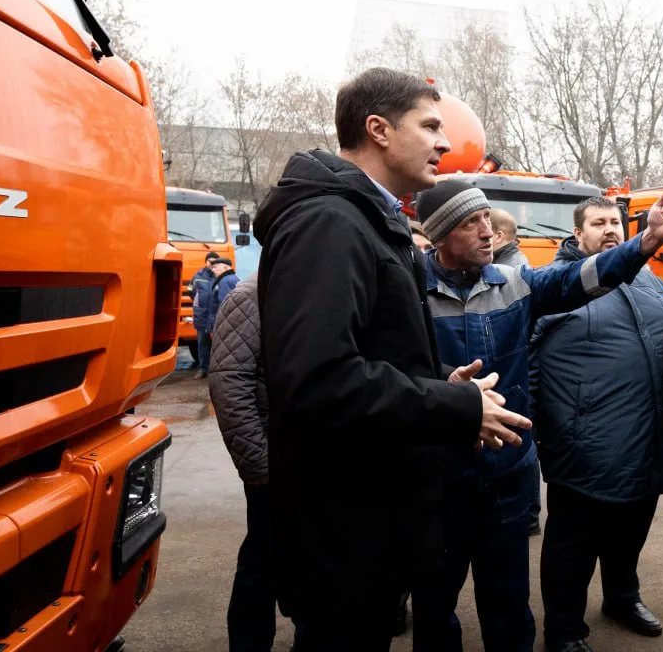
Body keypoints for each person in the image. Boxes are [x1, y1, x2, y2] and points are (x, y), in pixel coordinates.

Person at [252, 68, 532, 652]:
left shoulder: (366, 218)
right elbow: (318, 380)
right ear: (378, 130)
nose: (445, 143)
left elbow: (364, 354)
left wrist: (436, 383)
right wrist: (454, 406)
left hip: (368, 525)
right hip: (346, 533)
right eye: (429, 127)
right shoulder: (330, 222)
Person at [411, 179, 663, 652]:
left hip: (505, 474)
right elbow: (389, 365)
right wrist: (447, 385)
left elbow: (581, 279)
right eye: (471, 223)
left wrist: (647, 240)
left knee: (509, 603)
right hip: (436, 478)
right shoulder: (409, 295)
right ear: (440, 235)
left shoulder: (515, 283)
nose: (488, 231)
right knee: (434, 600)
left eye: (487, 217)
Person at [530, 197, 663, 652]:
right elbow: (528, 364)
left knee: (630, 530)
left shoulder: (649, 280)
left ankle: (622, 598)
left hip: (649, 437)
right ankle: (564, 629)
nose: (609, 229)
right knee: (572, 543)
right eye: (598, 223)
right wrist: (543, 429)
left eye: (615, 222)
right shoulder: (553, 285)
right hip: (582, 441)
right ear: (577, 233)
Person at [208, 272, 291, 652]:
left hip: (302, 460)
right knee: (262, 558)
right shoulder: (249, 297)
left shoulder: (302, 290)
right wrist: (258, 464)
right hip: (272, 464)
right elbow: (229, 385)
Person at [487, 206, 541, 534]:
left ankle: (529, 514)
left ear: (498, 235)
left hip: (519, 368)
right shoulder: (515, 262)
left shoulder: (510, 271)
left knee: (519, 442)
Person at [191, 250, 220, 378]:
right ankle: (203, 369)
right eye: (209, 260)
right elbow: (191, 292)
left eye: (214, 261)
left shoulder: (219, 276)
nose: (211, 263)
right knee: (202, 343)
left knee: (218, 343)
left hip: (216, 315)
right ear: (205, 262)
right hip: (202, 315)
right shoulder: (197, 276)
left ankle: (217, 369)